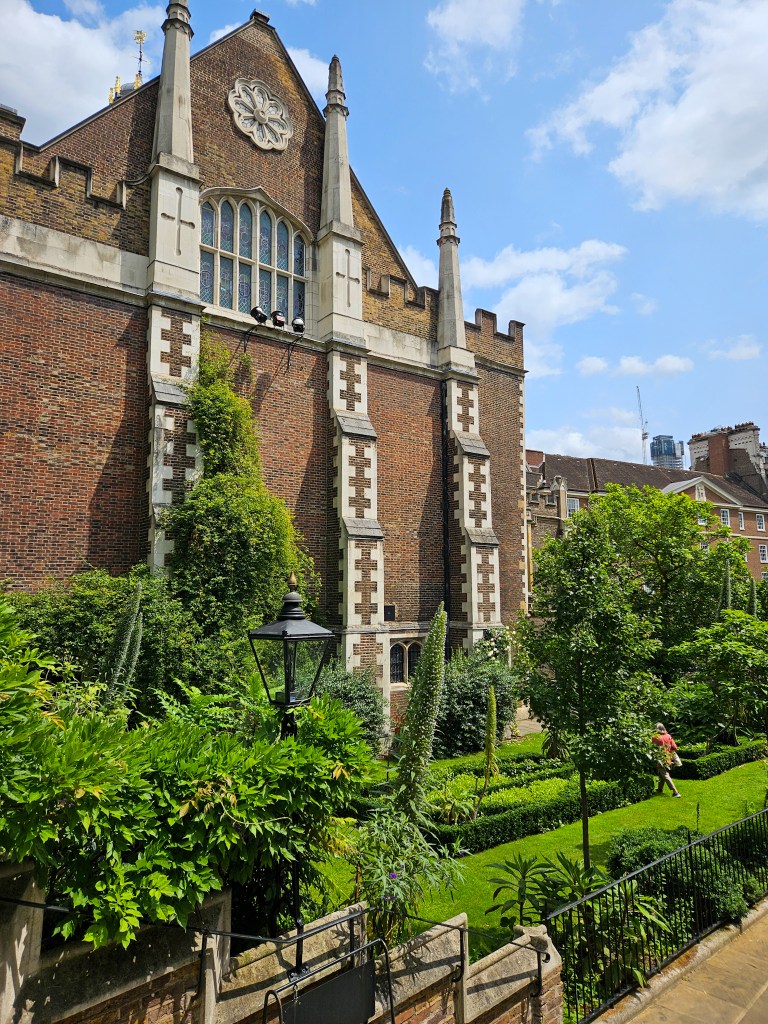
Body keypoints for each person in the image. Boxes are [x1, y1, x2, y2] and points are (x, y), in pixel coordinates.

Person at [652, 722, 681, 797]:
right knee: (662, 774)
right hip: (668, 758)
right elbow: (675, 747)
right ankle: (659, 789)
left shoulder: (655, 738)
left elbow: (651, 748)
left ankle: (675, 792)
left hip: (660, 759)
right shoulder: (668, 736)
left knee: (665, 775)